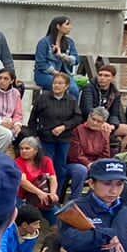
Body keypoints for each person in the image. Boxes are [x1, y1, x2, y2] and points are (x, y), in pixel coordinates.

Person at [28, 70, 86, 201]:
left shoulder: (71, 100)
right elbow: (33, 118)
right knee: (46, 167)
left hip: (63, 139)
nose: (56, 86)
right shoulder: (43, 98)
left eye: (60, 83)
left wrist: (64, 126)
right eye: (55, 83)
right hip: (45, 138)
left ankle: (57, 196)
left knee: (60, 168)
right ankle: (42, 195)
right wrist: (34, 136)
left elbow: (77, 118)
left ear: (66, 86)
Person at [79, 63, 127, 151]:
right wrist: (101, 122)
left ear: (113, 78)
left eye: (106, 76)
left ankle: (118, 157)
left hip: (107, 124)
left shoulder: (115, 92)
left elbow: (114, 114)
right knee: (104, 130)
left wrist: (113, 125)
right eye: (100, 75)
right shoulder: (89, 88)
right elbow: (87, 110)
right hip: (91, 121)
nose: (102, 78)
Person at [33, 16, 80, 95]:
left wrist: (61, 55)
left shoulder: (69, 42)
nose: (70, 27)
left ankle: (72, 107)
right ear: (58, 26)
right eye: (67, 24)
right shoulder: (44, 42)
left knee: (74, 90)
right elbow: (41, 63)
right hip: (44, 75)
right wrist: (56, 73)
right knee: (65, 88)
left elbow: (76, 60)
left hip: (64, 75)